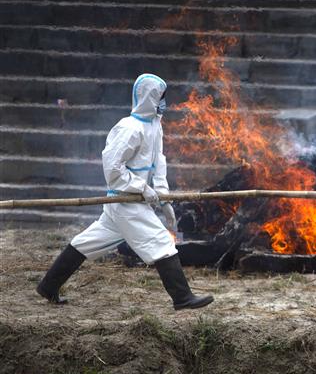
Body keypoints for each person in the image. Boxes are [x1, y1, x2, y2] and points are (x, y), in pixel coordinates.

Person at [36, 74, 214, 310]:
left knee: (88, 242)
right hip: (126, 201)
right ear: (150, 97)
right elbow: (112, 170)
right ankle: (183, 298)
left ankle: (48, 286)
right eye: (161, 97)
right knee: (161, 241)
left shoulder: (154, 125)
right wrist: (141, 187)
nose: (164, 102)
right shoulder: (129, 128)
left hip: (133, 202)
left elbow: (159, 162)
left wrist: (164, 197)